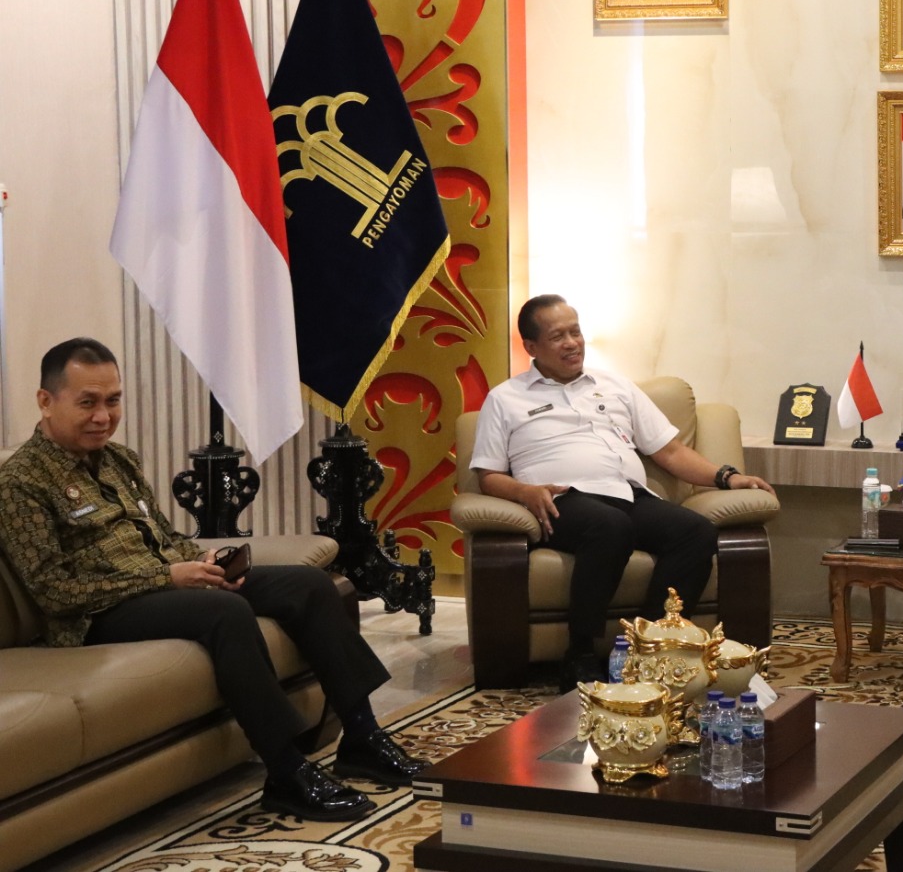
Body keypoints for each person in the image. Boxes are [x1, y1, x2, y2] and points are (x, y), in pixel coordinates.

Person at [0, 338, 426, 822]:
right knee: (224, 612)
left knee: (310, 585)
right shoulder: (21, 482)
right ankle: (286, 771)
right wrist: (167, 578)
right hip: (97, 615)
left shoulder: (120, 460)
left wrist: (204, 562)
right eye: (87, 403)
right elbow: (55, 592)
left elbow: (165, 536)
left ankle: (363, 736)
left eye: (113, 400)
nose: (103, 416)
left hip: (164, 585)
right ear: (46, 401)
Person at [471, 295, 776, 691]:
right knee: (609, 527)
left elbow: (669, 451)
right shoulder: (505, 398)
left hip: (627, 495)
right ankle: (580, 652)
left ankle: (647, 646)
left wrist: (727, 477)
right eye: (558, 336)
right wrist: (524, 491)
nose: (572, 343)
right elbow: (488, 476)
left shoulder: (614, 385)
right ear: (531, 347)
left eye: (576, 332)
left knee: (695, 532)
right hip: (561, 500)